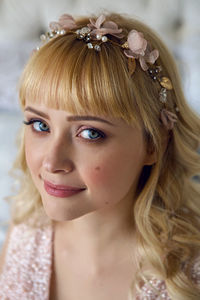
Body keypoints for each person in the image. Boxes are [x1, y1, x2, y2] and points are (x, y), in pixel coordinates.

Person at [0, 11, 199, 300]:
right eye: (40, 125)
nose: (52, 163)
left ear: (153, 144)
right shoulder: (22, 241)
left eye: (90, 133)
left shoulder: (188, 277)